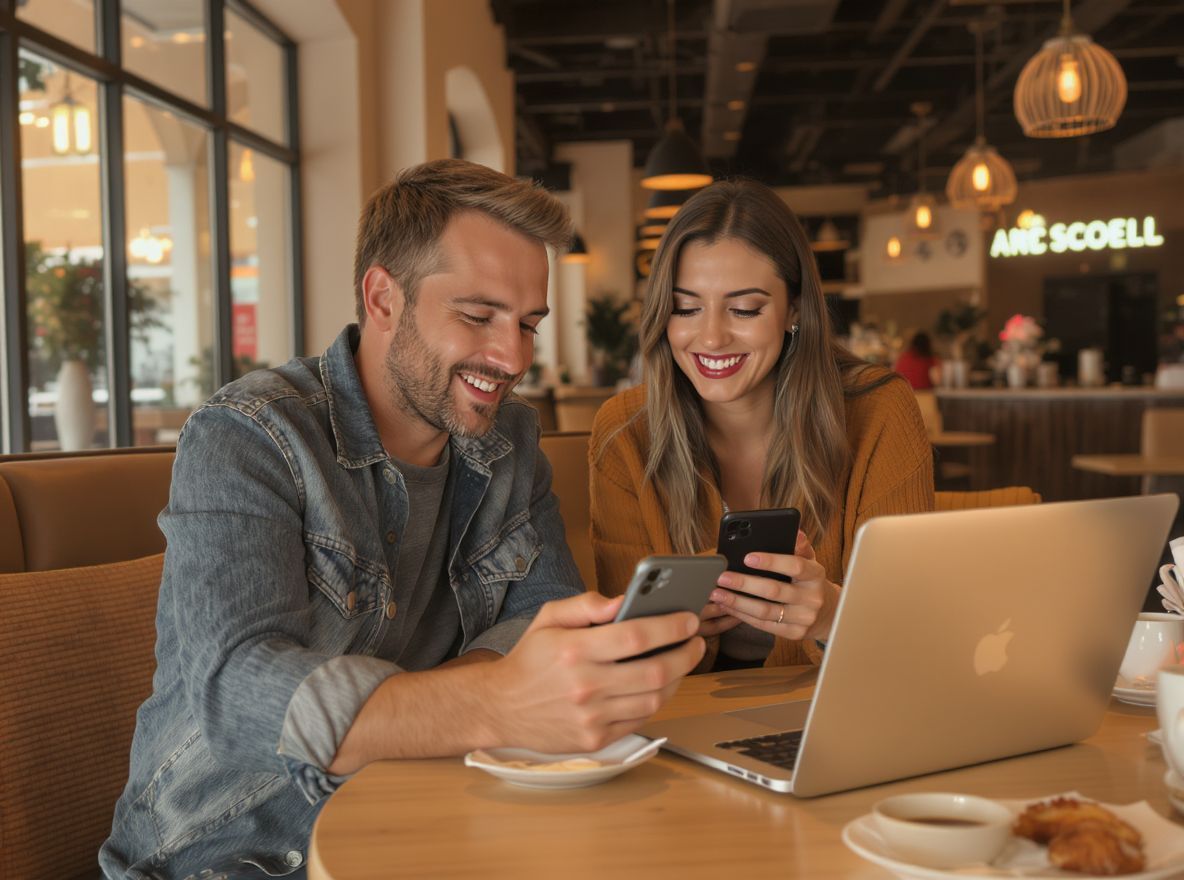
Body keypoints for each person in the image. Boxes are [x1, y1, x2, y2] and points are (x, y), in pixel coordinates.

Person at [101, 160, 705, 879]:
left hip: (423, 822)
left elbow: (544, 619)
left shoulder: (509, 442)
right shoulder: (251, 435)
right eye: (477, 317)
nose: (513, 356)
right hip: (226, 857)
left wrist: (479, 701)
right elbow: (239, 692)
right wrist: (493, 700)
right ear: (383, 298)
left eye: (528, 324)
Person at [589, 179, 934, 671]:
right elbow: (622, 655)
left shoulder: (880, 411)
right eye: (686, 308)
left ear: (795, 308)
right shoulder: (624, 432)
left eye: (744, 309)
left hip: (832, 706)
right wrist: (666, 633)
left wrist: (833, 616)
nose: (711, 337)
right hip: (684, 709)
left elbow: (912, 636)